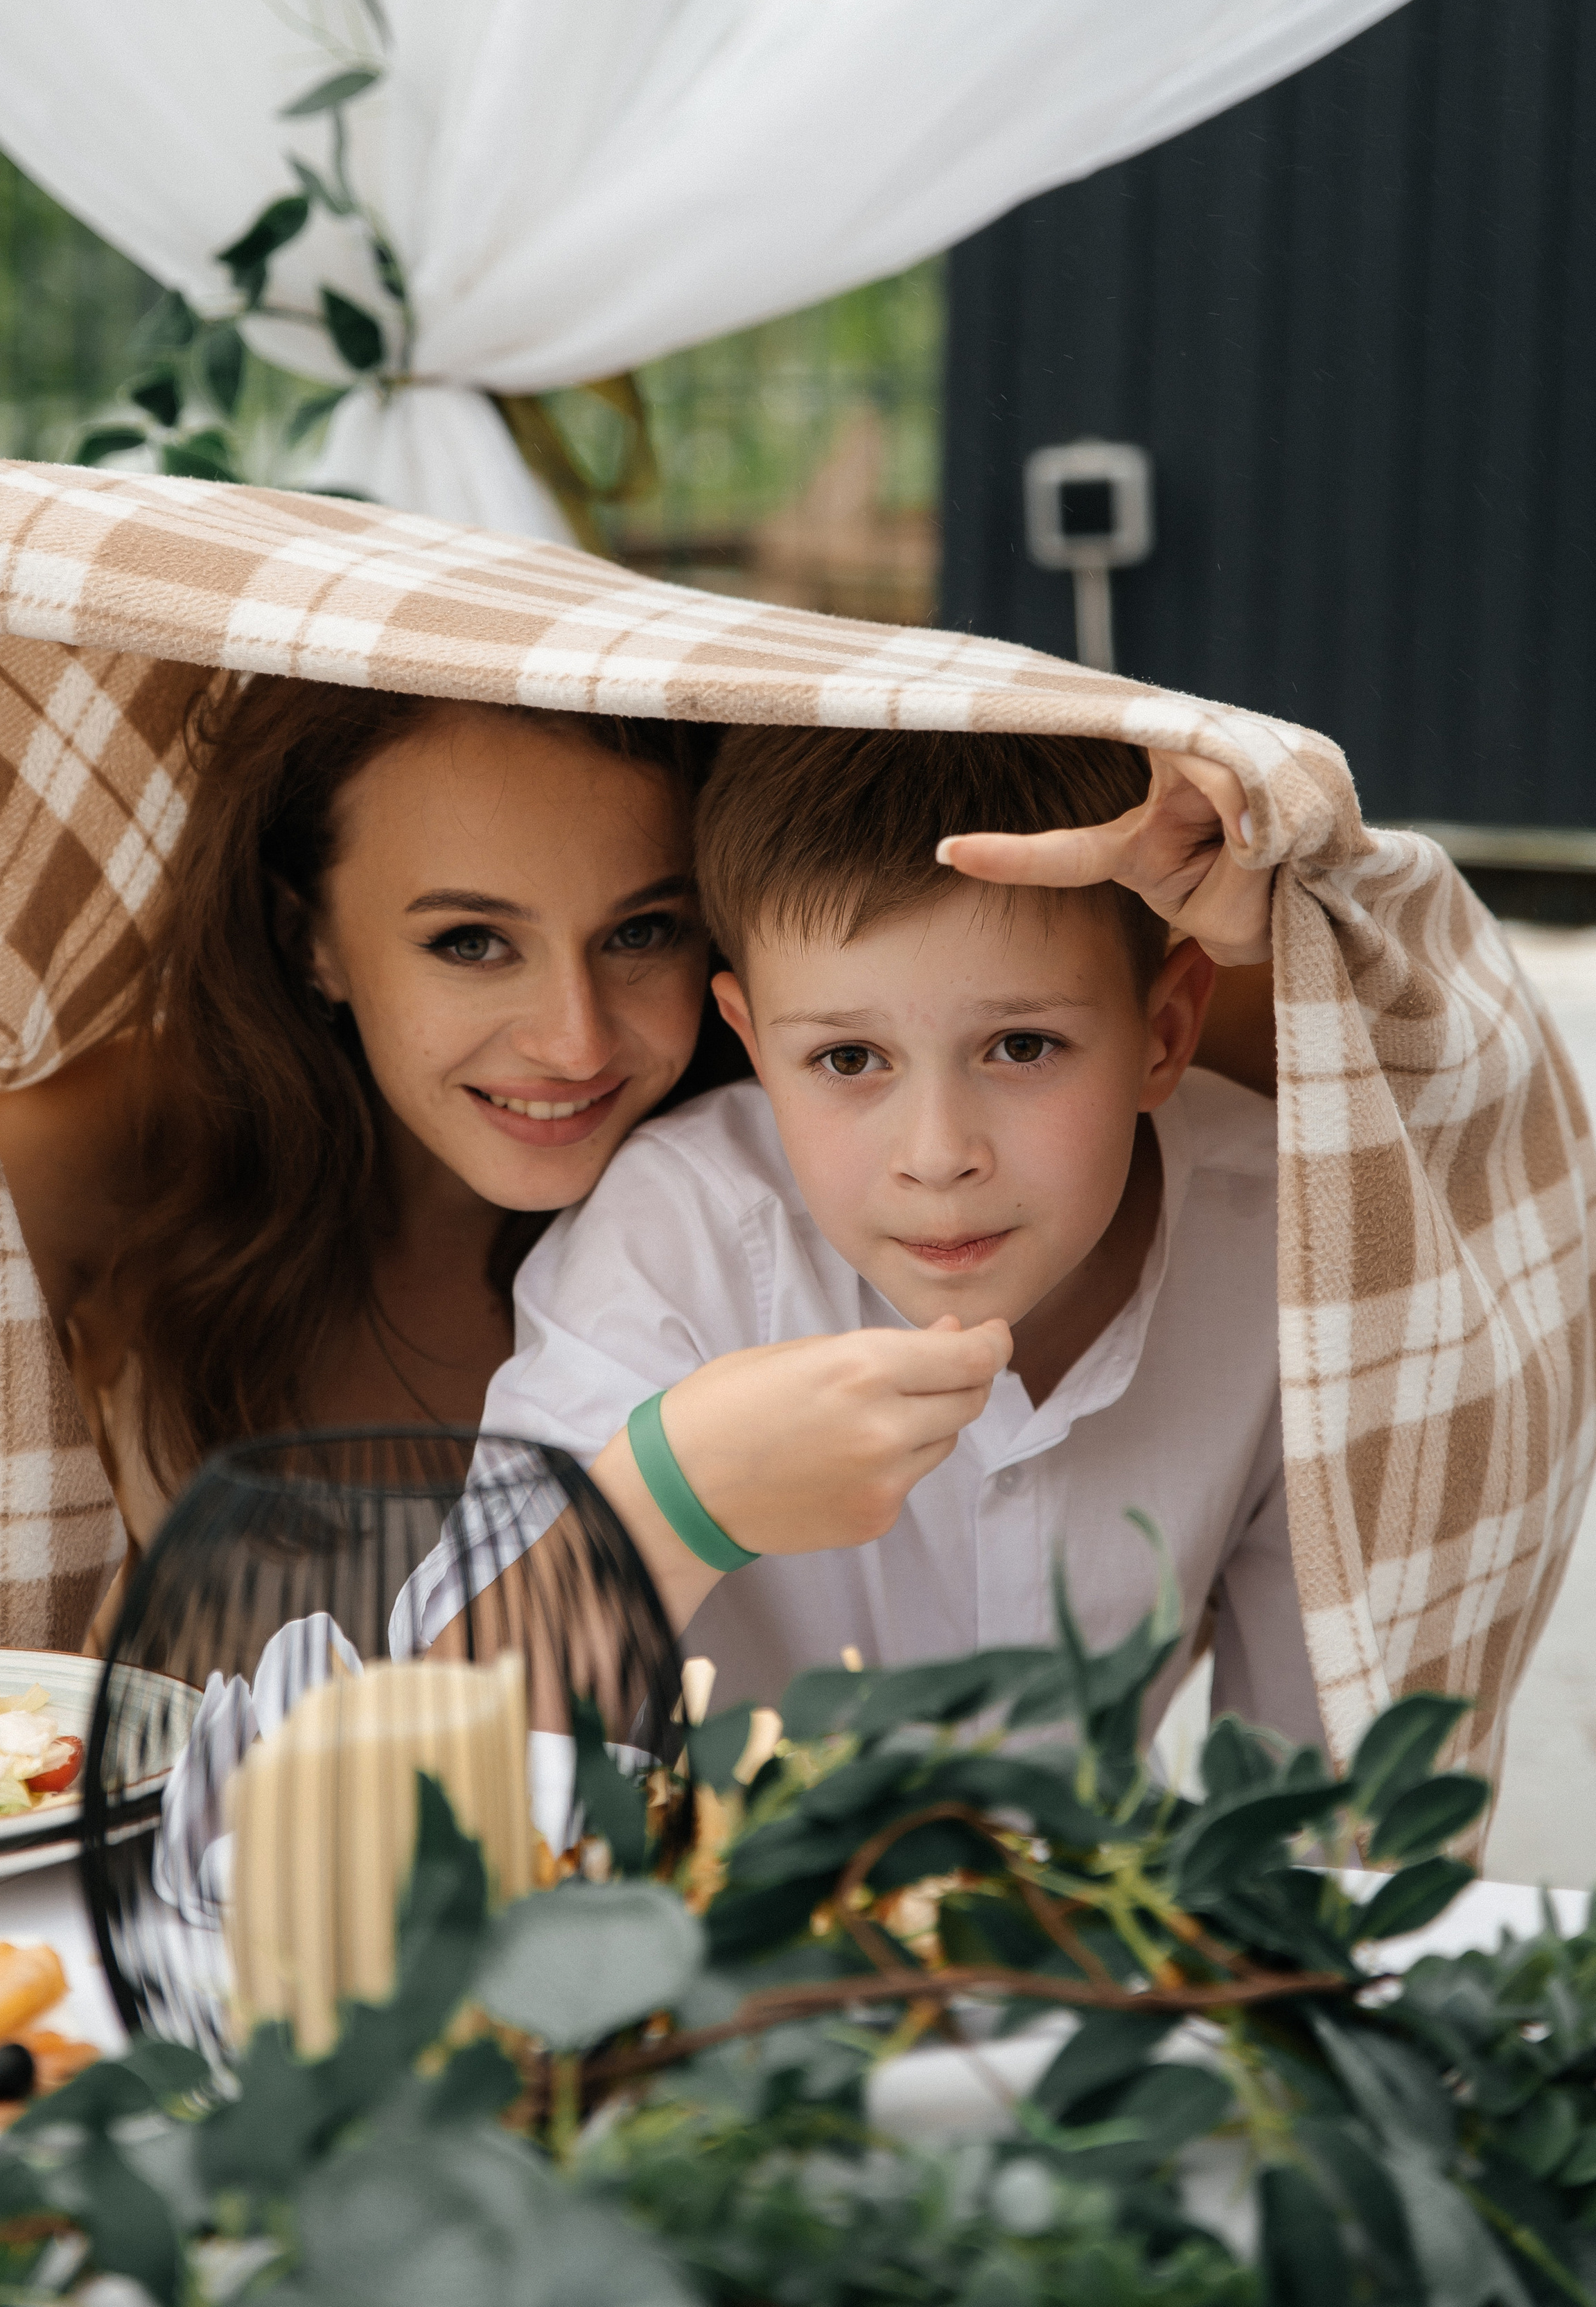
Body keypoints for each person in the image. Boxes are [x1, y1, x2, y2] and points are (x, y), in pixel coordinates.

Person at [0, 590, 720, 1643]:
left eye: (644, 932)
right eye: (472, 942)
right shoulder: (145, 1144)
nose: (576, 1041)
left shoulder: (789, 1175)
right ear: (310, 940)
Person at [479, 719, 1315, 1744]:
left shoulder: (1297, 1249)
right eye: (846, 1060)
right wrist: (681, 1492)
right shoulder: (678, 1237)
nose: (936, 1153)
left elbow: (1326, 1795)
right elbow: (439, 1748)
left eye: (1021, 1046)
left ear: (1166, 1031)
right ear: (752, 1044)